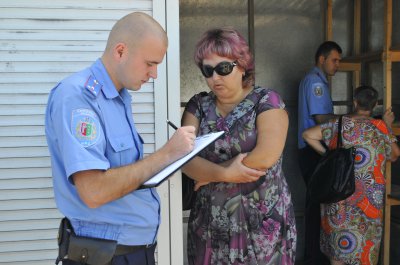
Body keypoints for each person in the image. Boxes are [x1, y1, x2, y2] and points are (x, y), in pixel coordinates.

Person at [45, 12, 196, 265]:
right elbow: (94, 191)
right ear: (120, 51)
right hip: (105, 255)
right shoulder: (79, 98)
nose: (154, 74)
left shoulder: (117, 98)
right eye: (149, 63)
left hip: (130, 251)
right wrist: (167, 153)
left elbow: (124, 173)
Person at [181, 27, 297, 265]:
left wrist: (208, 174)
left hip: (262, 224)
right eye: (208, 70)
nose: (215, 78)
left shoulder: (267, 102)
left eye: (223, 68)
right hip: (211, 225)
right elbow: (184, 159)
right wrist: (224, 173)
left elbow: (266, 156)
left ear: (242, 65)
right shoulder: (198, 106)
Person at [302, 85, 400, 265]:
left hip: (339, 196)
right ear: (375, 104)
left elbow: (308, 135)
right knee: (365, 249)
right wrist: (388, 126)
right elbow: (394, 155)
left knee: (338, 253)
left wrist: (328, 155)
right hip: (369, 201)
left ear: (355, 102)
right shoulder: (380, 128)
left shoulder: (340, 124)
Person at [297, 41, 342, 265]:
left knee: (317, 205)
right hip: (313, 151)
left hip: (311, 150)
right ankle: (314, 258)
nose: (338, 65)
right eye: (334, 60)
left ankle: (314, 257)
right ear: (322, 59)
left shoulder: (316, 80)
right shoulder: (316, 82)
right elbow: (321, 120)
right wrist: (350, 121)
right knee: (316, 208)